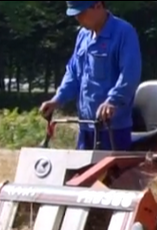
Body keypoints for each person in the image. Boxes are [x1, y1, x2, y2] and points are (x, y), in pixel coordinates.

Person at [39, 1, 142, 151]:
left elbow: (130, 74)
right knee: (80, 172)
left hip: (113, 129)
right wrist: (57, 100)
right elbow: (73, 74)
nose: (78, 18)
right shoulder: (83, 36)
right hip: (85, 126)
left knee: (111, 174)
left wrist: (112, 101)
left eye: (81, 13)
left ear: (98, 6)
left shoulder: (124, 33)